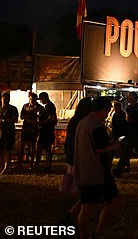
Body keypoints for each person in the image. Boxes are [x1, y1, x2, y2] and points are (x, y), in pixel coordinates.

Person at [74, 97, 121, 239]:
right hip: (97, 170)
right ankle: (98, 232)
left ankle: (84, 235)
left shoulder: (82, 123)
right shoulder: (97, 126)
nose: (107, 114)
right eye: (107, 111)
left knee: (86, 206)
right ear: (103, 110)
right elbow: (100, 148)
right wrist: (115, 145)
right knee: (111, 201)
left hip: (82, 168)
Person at [61, 97, 94, 226]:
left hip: (73, 155)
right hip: (78, 156)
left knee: (76, 179)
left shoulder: (75, 121)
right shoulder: (83, 122)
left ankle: (78, 202)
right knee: (81, 182)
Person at [113, 92, 138, 176]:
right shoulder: (129, 107)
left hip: (137, 133)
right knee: (126, 152)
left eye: (129, 97)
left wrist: (133, 121)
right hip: (130, 133)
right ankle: (119, 169)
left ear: (133, 98)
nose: (127, 98)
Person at [18, 92, 43, 170]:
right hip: (25, 129)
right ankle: (20, 163)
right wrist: (28, 119)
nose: (32, 101)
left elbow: (41, 118)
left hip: (34, 130)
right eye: (31, 99)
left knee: (32, 146)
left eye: (34, 99)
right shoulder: (25, 106)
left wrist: (36, 121)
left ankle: (31, 164)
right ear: (29, 98)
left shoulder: (40, 107)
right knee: (22, 146)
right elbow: (21, 116)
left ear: (36, 99)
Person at [35, 91, 57, 171]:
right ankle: (44, 165)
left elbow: (51, 118)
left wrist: (41, 122)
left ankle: (47, 165)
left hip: (47, 131)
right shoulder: (47, 106)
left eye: (41, 99)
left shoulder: (50, 106)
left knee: (45, 148)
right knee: (43, 148)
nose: (40, 101)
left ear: (44, 98)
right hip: (45, 130)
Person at [0, 91, 19, 174]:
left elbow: (15, 120)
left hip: (9, 132)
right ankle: (2, 166)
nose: (5, 101)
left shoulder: (13, 109)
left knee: (7, 150)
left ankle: (7, 167)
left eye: (7, 99)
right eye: (4, 99)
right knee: (1, 150)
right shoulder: (0, 108)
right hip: (1, 132)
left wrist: (6, 120)